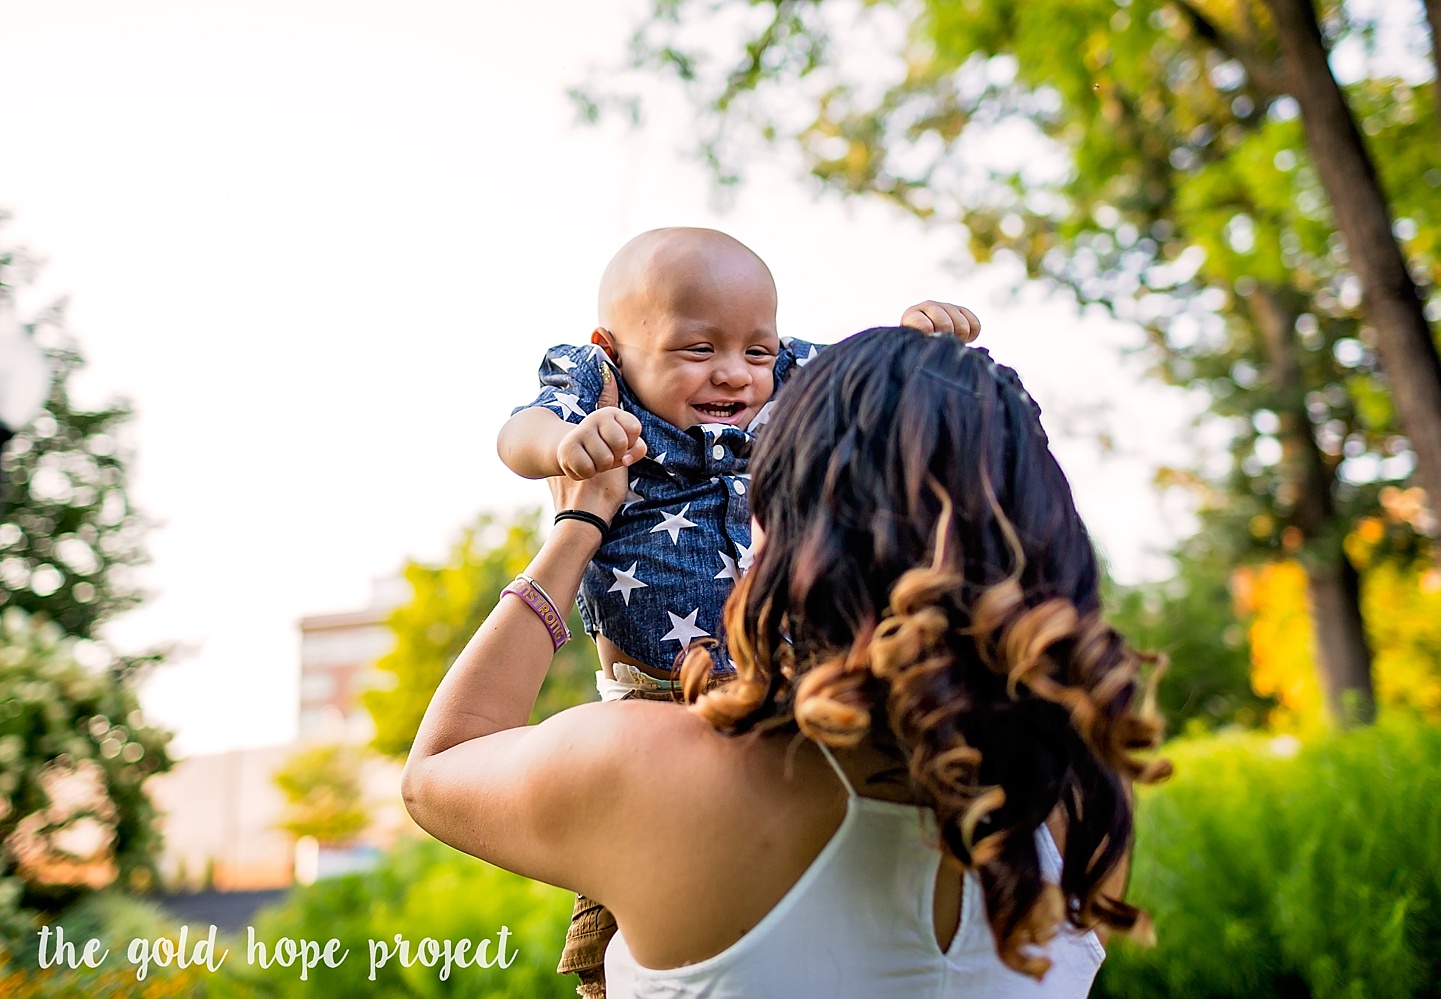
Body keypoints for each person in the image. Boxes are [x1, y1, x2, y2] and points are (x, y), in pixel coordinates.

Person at [405, 327, 1167, 998]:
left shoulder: (650, 769)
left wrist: (577, 525)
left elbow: (439, 767)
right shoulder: (1077, 811)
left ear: (795, 534)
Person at [496, 226, 979, 691]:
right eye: (699, 349)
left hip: (796, 684)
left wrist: (913, 346)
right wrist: (564, 443)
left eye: (756, 351)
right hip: (656, 693)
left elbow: (875, 381)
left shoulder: (796, 372)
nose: (733, 374)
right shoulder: (602, 385)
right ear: (613, 349)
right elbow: (518, 434)